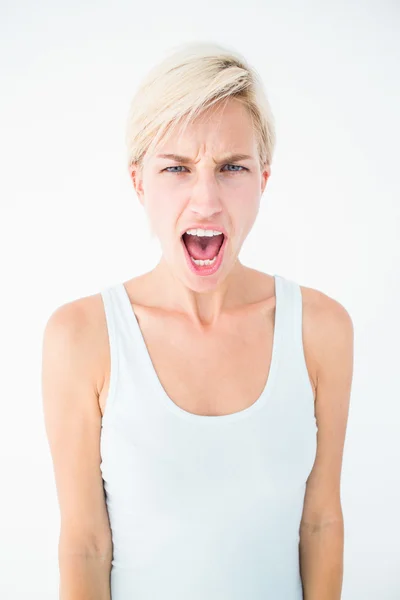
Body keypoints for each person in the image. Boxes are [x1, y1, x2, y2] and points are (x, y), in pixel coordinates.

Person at [41, 41, 354, 600]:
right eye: (177, 169)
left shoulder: (321, 330)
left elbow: (321, 522)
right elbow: (85, 544)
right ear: (139, 181)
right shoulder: (81, 338)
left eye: (232, 167)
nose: (206, 200)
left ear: (263, 179)